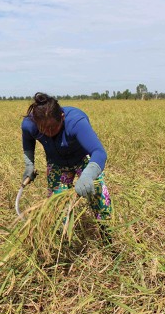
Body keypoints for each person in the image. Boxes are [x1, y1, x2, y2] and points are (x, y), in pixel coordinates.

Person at [21, 92, 112, 241]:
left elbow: (99, 152)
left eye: (52, 127)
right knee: (57, 206)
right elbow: (28, 143)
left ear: (62, 117)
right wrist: (29, 165)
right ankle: (63, 241)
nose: (47, 133)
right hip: (57, 163)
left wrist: (88, 175)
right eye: (42, 128)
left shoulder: (76, 122)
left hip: (83, 160)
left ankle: (107, 236)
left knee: (99, 197)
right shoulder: (29, 125)